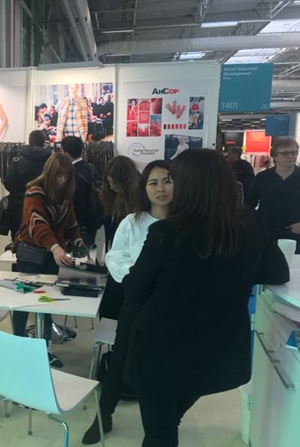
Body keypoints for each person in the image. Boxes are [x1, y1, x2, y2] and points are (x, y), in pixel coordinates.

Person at [121, 149, 288, 446]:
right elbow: (277, 271)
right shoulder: (248, 223)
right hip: (213, 352)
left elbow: (134, 291)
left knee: (159, 434)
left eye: (173, 179)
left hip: (161, 353)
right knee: (168, 423)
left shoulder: (166, 232)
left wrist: (137, 271)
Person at [83, 160, 173, 444]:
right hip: (136, 303)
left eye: (167, 181)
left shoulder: (187, 223)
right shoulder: (132, 222)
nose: (161, 189)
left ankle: (161, 424)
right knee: (121, 358)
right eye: (153, 183)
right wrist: (135, 275)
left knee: (164, 366)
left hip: (171, 309)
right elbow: (115, 256)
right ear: (144, 188)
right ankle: (104, 414)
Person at [11, 153, 87, 368]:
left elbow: (70, 223)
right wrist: (54, 246)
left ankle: (45, 350)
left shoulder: (65, 194)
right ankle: (18, 347)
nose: (63, 180)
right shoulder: (34, 192)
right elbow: (36, 223)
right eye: (59, 176)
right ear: (50, 173)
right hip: (31, 256)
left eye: (66, 176)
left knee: (46, 304)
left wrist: (78, 241)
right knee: (22, 305)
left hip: (51, 257)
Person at [99, 156, 140, 319]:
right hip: (116, 260)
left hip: (131, 264)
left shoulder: (137, 203)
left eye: (113, 183)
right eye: (109, 183)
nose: (111, 186)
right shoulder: (114, 198)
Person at [245, 137, 300, 253]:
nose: (290, 156)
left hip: (295, 236)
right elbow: (249, 204)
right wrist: (254, 225)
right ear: (275, 156)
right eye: (285, 153)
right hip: (266, 234)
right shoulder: (262, 178)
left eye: (294, 152)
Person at [3, 130, 51, 240]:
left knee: (19, 240)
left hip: (19, 209)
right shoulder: (50, 162)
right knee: (42, 239)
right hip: (43, 207)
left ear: (29, 141)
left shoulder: (17, 161)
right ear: (44, 142)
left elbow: (8, 184)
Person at [61, 136, 101, 246]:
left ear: (66, 153)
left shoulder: (71, 174)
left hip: (79, 224)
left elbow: (74, 201)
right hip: (91, 220)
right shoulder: (90, 167)